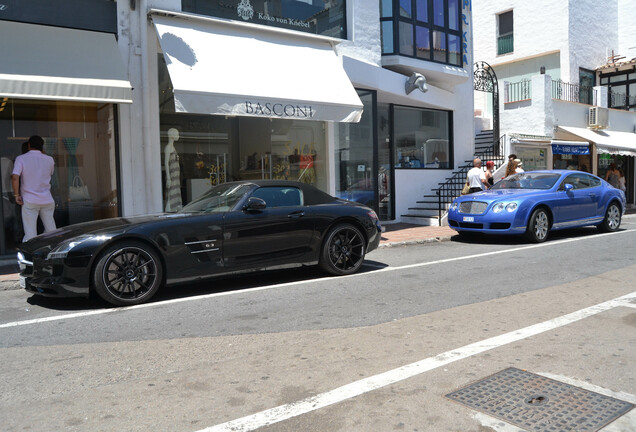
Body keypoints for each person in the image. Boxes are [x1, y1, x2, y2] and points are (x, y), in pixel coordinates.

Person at [11, 135, 56, 242]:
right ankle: (52, 251)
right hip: (47, 199)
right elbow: (50, 173)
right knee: (51, 230)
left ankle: (30, 255)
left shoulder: (21, 158)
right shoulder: (49, 159)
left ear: (29, 145)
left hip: (29, 200)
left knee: (30, 233)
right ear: (42, 146)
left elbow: (15, 177)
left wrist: (17, 195)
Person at [164, 128, 183, 212]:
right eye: (176, 134)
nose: (178, 136)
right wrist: (168, 177)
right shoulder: (168, 148)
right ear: (172, 136)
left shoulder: (173, 147)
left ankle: (174, 208)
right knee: (172, 192)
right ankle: (169, 209)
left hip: (175, 175)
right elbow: (166, 163)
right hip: (172, 175)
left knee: (174, 191)